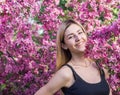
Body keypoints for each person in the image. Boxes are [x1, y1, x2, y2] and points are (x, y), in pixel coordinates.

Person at [34, 19, 112, 95]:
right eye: (71, 37)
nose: (78, 38)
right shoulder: (66, 73)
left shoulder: (99, 66)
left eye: (80, 33)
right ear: (64, 45)